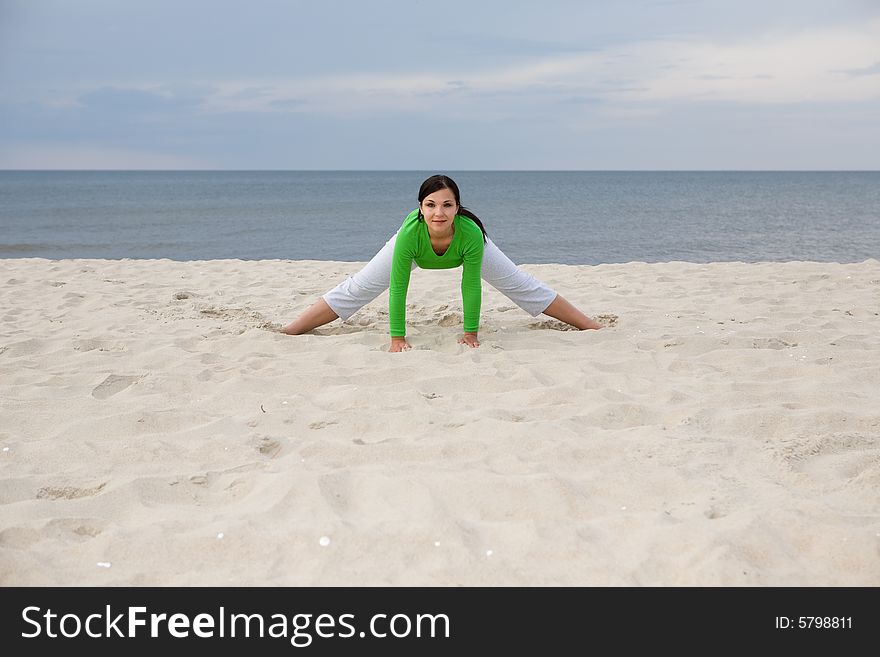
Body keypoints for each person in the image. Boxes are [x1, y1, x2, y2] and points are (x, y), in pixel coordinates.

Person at [281, 174, 603, 351]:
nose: (439, 212)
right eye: (431, 204)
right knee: (361, 286)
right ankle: (291, 330)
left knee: (519, 284)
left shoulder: (471, 234)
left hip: (463, 245)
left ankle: (590, 325)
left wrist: (471, 334)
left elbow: (470, 285)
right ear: (420, 208)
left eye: (447, 205)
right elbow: (398, 288)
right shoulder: (409, 235)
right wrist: (397, 339)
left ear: (458, 208)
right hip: (416, 248)